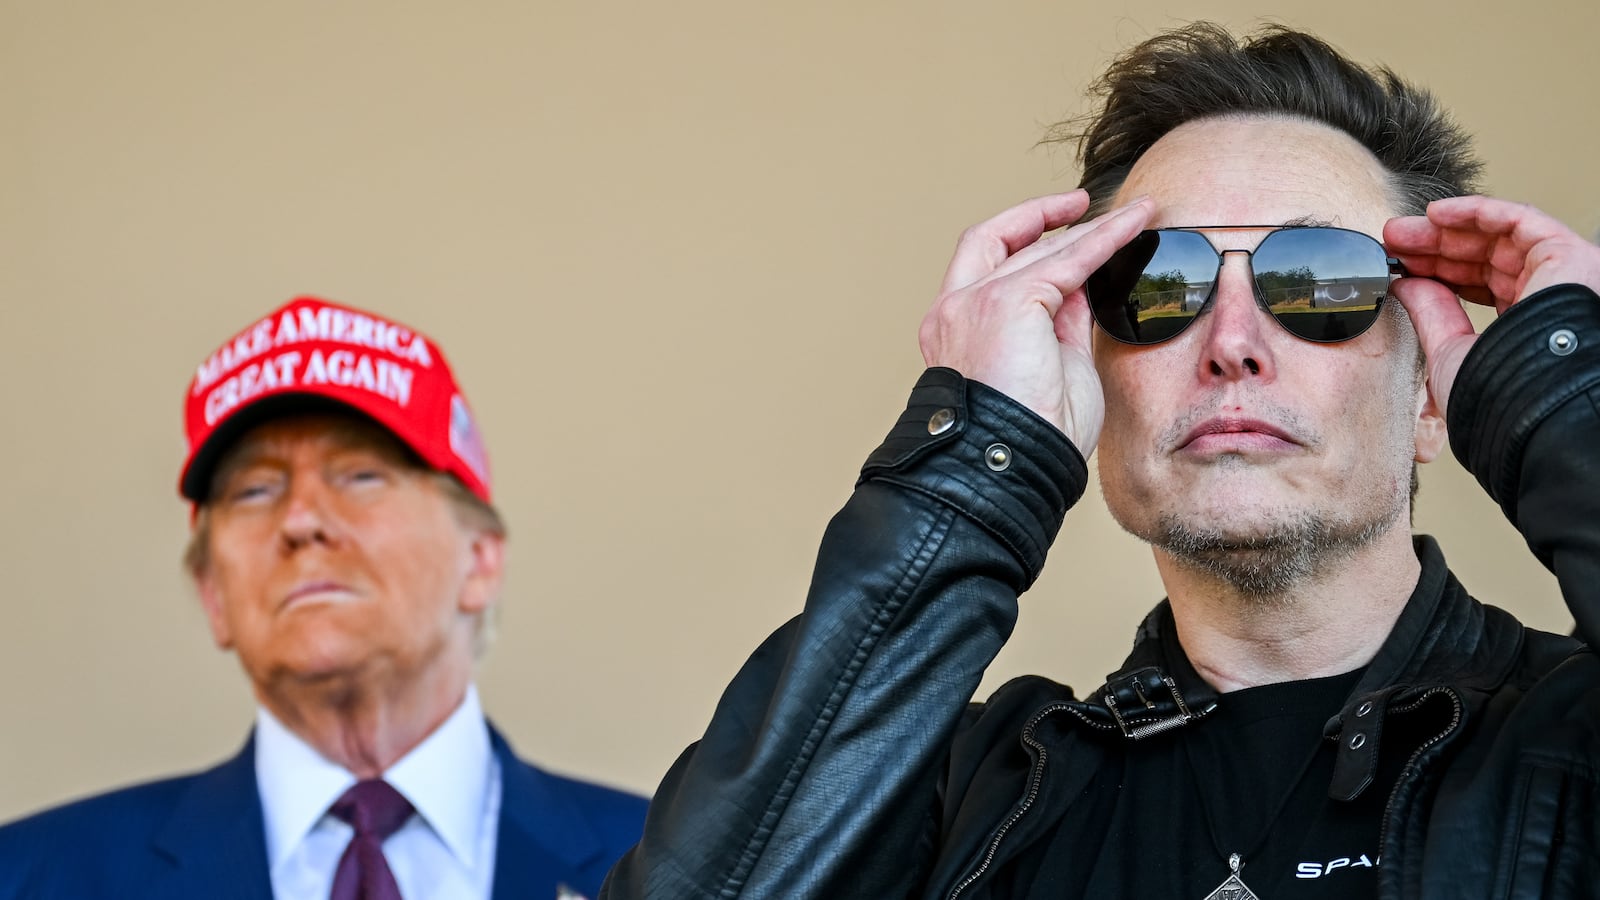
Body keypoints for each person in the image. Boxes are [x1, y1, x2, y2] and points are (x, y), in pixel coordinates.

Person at [601, 23, 1600, 900]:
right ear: (1090, 382)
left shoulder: (1570, 740)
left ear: (1429, 396)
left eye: (1320, 280)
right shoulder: (965, 797)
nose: (1232, 343)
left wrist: (1568, 398)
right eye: (1157, 284)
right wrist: (978, 458)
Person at [0, 296, 647, 900]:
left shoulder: (679, 866)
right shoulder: (32, 876)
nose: (301, 519)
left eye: (361, 475)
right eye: (254, 490)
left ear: (479, 560)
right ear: (213, 594)